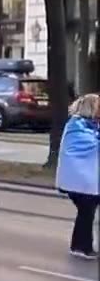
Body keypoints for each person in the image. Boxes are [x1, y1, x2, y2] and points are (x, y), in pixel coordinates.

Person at [55, 94, 99, 260]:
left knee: (86, 212)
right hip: (79, 181)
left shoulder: (90, 124)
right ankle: (82, 247)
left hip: (87, 180)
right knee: (86, 212)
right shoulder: (77, 125)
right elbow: (90, 145)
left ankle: (79, 245)